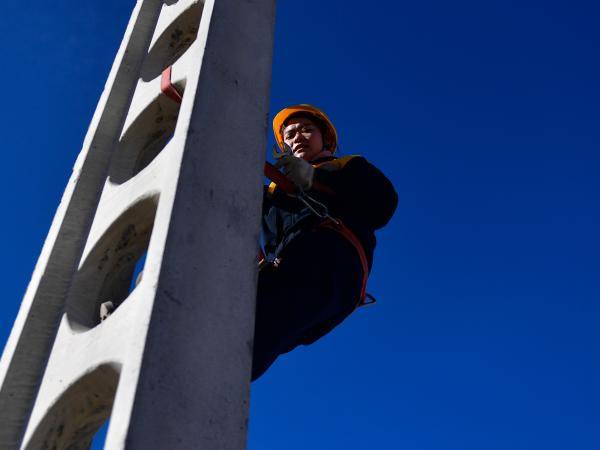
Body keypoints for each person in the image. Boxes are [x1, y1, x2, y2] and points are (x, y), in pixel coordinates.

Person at [252, 104, 398, 381]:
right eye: (290, 134)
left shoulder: (347, 166)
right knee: (242, 337)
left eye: (307, 129)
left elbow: (383, 204)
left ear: (325, 140)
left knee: (255, 328)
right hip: (288, 269)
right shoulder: (273, 191)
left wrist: (314, 178)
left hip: (331, 262)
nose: (298, 137)